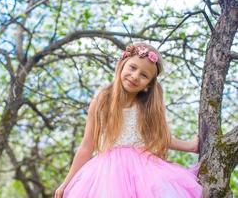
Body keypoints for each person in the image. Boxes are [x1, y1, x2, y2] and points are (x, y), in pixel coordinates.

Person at [54, 42, 202, 198]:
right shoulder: (101, 103)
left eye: (144, 75)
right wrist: (67, 182)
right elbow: (86, 146)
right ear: (122, 65)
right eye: (132, 67)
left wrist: (191, 146)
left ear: (148, 85)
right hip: (107, 176)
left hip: (144, 172)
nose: (135, 76)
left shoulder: (146, 107)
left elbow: (161, 138)